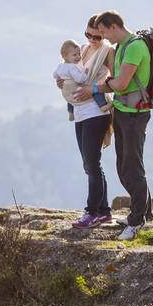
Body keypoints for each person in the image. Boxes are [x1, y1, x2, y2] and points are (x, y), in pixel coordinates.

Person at [87, 10, 153, 239]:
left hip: (135, 114)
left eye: (104, 32)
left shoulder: (134, 47)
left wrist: (106, 84)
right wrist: (103, 85)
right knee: (127, 165)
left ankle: (136, 222)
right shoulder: (122, 47)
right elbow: (114, 82)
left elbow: (122, 83)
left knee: (131, 167)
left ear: (113, 26)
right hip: (124, 112)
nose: (104, 37)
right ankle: (145, 214)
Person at [54, 36, 112, 227]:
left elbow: (115, 79)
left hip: (95, 113)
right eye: (88, 34)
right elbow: (67, 76)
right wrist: (64, 83)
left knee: (92, 164)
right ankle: (103, 211)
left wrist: (92, 86)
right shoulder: (84, 52)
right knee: (89, 164)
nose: (92, 38)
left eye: (96, 34)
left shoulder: (106, 51)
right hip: (80, 114)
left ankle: (92, 212)